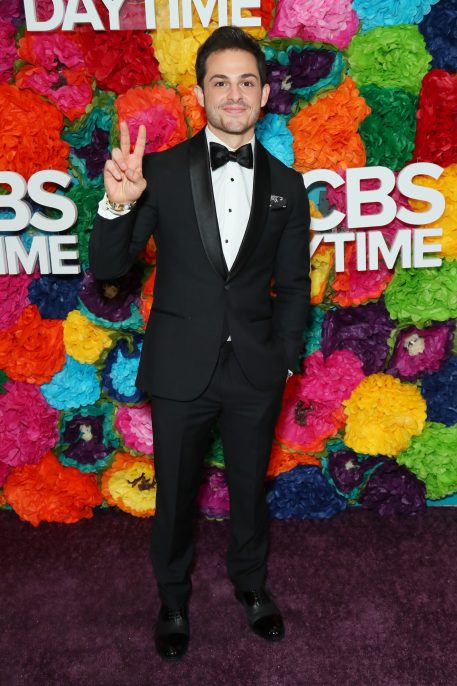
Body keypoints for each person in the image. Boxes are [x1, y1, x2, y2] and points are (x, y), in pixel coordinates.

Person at [89, 25, 310, 661]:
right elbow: (109, 270)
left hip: (255, 372)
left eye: (247, 82)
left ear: (265, 93)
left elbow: (294, 284)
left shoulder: (288, 186)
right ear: (201, 93)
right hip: (181, 366)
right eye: (221, 82)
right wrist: (116, 206)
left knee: (249, 490)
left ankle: (252, 587)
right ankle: (173, 599)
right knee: (175, 495)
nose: (234, 94)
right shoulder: (156, 170)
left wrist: (286, 357)